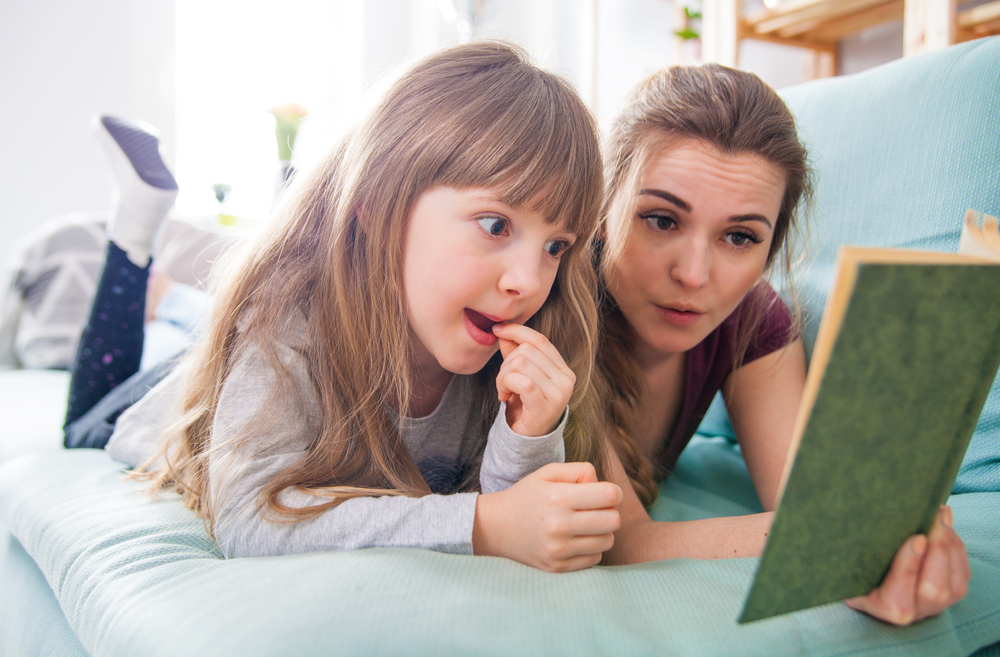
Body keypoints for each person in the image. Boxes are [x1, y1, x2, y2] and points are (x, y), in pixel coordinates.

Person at [97, 41, 622, 573]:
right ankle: (137, 233)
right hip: (164, 408)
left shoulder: (509, 362)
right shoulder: (288, 321)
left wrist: (526, 436)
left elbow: (526, 526)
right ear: (377, 205)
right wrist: (481, 524)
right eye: (495, 225)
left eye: (556, 247)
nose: (529, 282)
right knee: (100, 403)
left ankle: (171, 300)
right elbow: (250, 518)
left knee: (192, 316)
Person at [590, 64, 970, 625]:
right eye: (661, 220)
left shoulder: (751, 319)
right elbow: (625, 541)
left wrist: (894, 551)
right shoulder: (557, 311)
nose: (694, 274)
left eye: (740, 236)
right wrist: (839, 534)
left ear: (768, 252)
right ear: (601, 212)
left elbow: (800, 497)